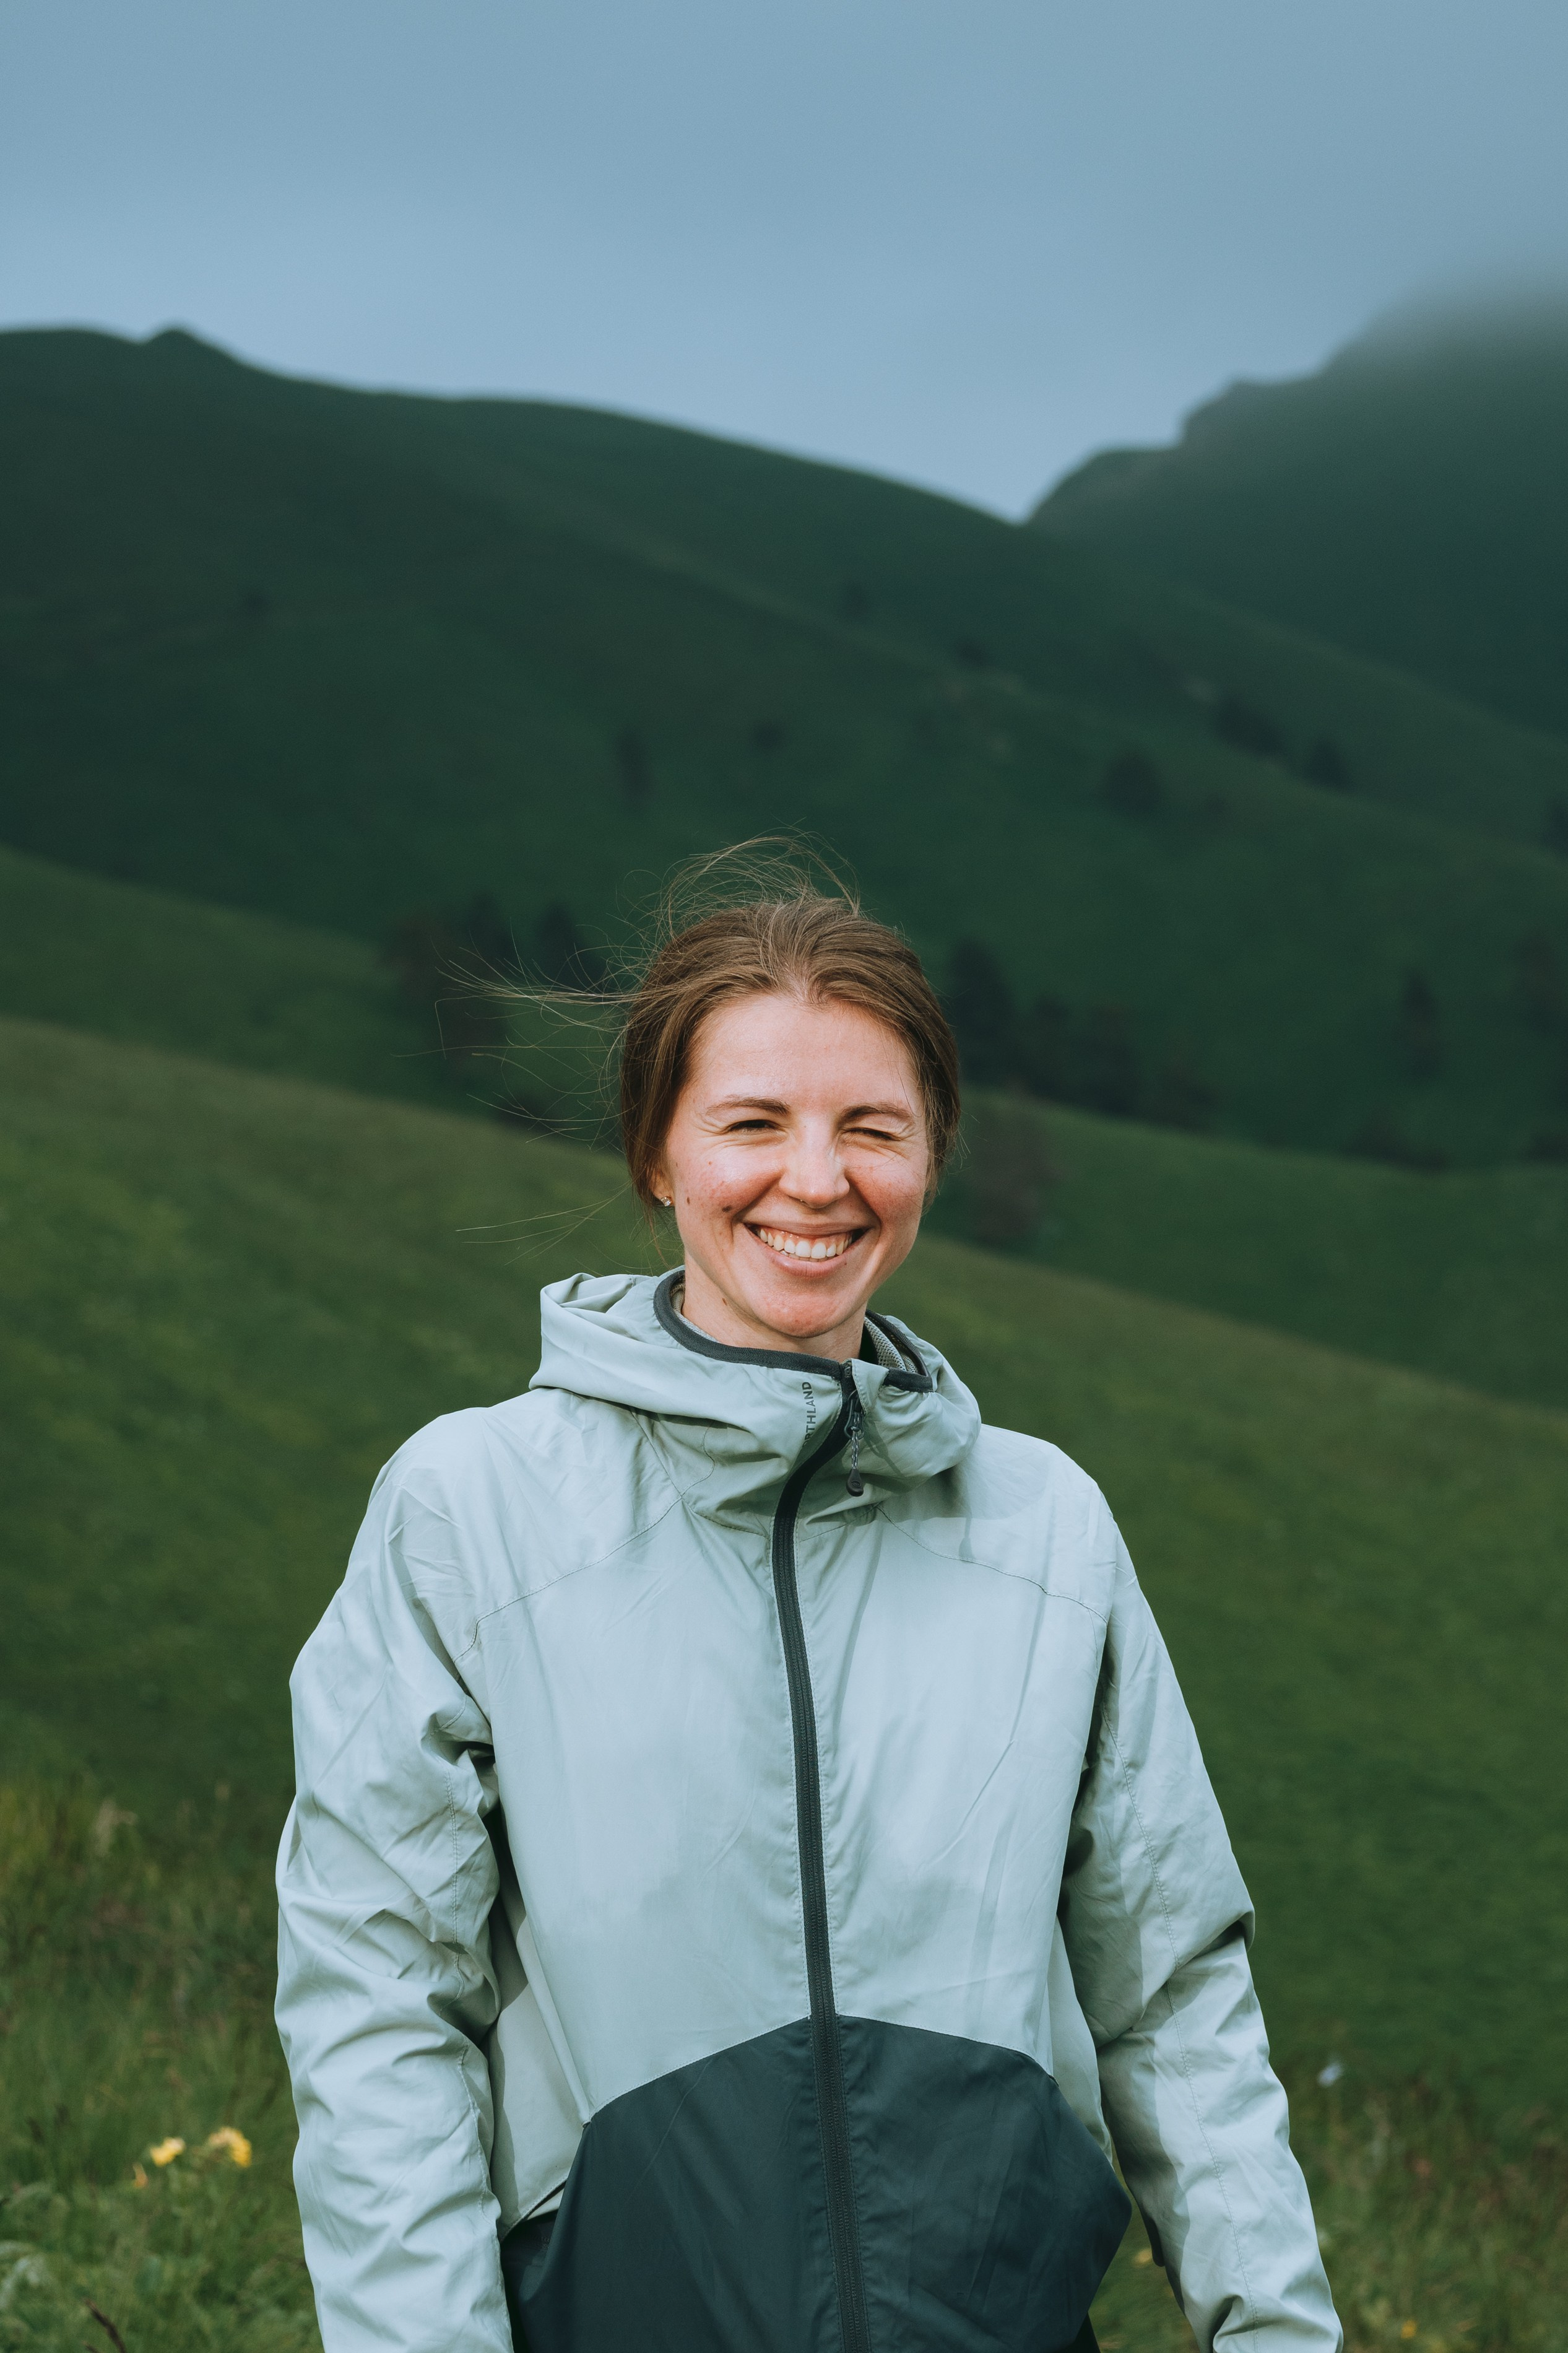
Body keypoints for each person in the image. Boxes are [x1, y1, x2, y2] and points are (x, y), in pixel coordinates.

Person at [275, 869, 1340, 2353]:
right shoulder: (472, 1509)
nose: (815, 1179)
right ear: (658, 1151)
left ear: (931, 1157)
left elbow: (1171, 2001)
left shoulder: (1047, 1534)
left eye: (871, 1129)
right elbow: (378, 2005)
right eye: (754, 1122)